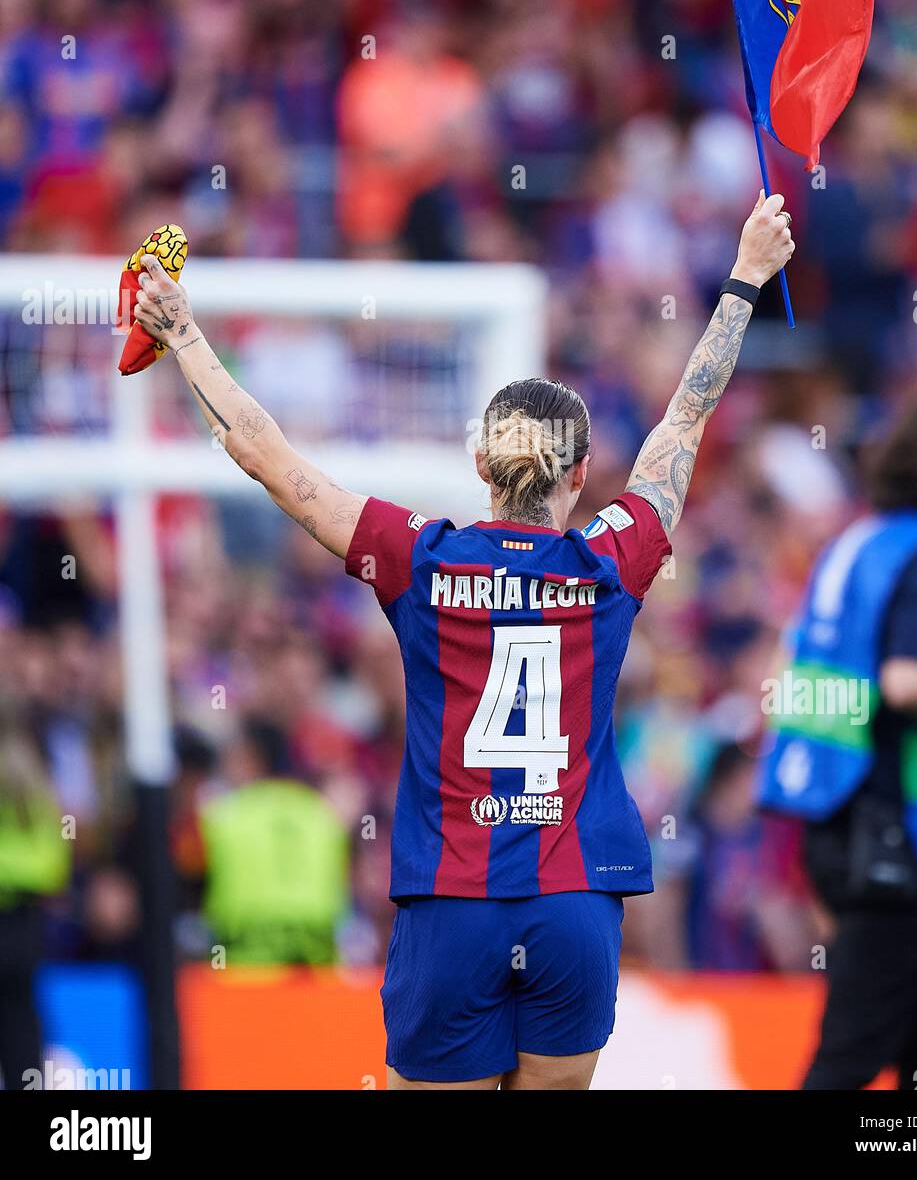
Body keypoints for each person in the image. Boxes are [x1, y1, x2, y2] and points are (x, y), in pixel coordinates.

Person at [129, 190, 794, 1090]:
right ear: (582, 471)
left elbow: (269, 461)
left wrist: (183, 332)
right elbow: (686, 420)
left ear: (481, 463)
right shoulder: (610, 562)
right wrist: (748, 273)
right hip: (574, 900)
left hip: (454, 904)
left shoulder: (422, 560)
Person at [759, 392, 917, 1090]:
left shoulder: (856, 543)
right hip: (892, 836)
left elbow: (793, 672)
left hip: (834, 821)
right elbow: (905, 681)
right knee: (848, 1054)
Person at [199, 720, 348, 967]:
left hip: (243, 975)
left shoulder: (222, 816)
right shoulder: (322, 813)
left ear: (251, 758)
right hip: (315, 975)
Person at [0, 704, 71, 1090]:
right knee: (21, 1029)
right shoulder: (33, 781)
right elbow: (50, 864)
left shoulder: (27, 785)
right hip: (23, 924)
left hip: (17, 925)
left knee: (20, 1030)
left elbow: (51, 864)